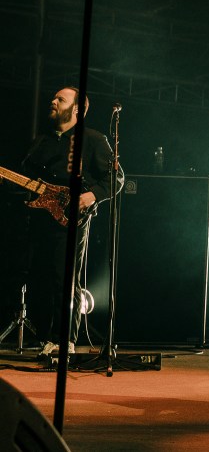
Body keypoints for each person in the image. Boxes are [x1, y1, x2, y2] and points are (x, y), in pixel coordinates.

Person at [4, 87, 122, 357]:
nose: (53, 101)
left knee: (65, 278)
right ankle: (47, 338)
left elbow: (116, 178)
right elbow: (27, 184)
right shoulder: (41, 142)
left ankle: (64, 340)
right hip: (39, 220)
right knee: (40, 276)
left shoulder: (93, 140)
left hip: (71, 220)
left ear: (77, 110)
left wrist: (91, 196)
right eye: (53, 97)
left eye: (61, 99)